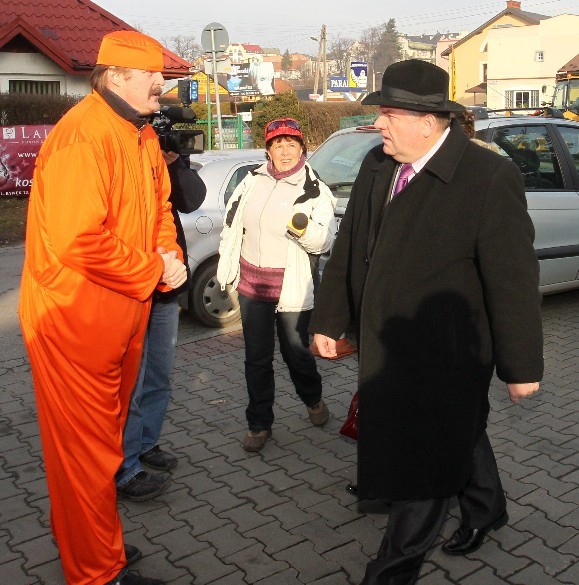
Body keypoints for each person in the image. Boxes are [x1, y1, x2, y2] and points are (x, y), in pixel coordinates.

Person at [310, 59, 543, 585]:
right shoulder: (378, 165)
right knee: (460, 433)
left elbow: (511, 279)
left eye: (388, 114)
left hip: (448, 355)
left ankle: (390, 573)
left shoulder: (488, 177)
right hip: (386, 345)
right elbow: (350, 247)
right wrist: (330, 318)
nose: (379, 124)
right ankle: (488, 509)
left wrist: (521, 365)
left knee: (423, 468)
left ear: (427, 120)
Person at [18, 30, 188, 585]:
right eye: (151, 77)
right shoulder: (83, 137)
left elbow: (161, 205)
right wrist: (153, 270)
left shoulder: (137, 133)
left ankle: (96, 547)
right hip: (74, 322)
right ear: (115, 76)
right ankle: (95, 572)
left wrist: (168, 251)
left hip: (120, 315)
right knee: (86, 458)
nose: (161, 86)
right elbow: (78, 240)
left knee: (103, 452)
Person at [217, 118, 337, 452]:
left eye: (291, 145)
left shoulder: (314, 189)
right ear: (268, 149)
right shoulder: (252, 181)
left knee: (296, 354)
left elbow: (324, 242)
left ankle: (312, 399)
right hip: (252, 285)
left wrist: (303, 228)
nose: (285, 152)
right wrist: (228, 261)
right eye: (277, 145)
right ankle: (259, 424)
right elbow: (232, 221)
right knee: (256, 358)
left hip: (291, 289)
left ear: (302, 148)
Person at [116, 150, 206, 500]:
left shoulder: (162, 156)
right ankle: (127, 464)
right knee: (131, 385)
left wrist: (174, 163)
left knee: (158, 375)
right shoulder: (120, 152)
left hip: (166, 287)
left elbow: (191, 200)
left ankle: (146, 444)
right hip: (131, 289)